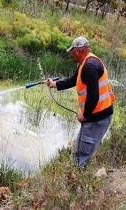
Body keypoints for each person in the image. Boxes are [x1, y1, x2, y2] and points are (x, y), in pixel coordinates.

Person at [47, 36, 115, 168]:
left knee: (82, 155)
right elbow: (73, 80)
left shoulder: (89, 67)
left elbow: (94, 97)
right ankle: (75, 174)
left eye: (72, 53)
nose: (72, 56)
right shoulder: (88, 62)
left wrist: (85, 115)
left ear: (77, 51)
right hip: (97, 116)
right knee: (79, 151)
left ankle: (77, 179)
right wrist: (55, 84)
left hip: (97, 118)